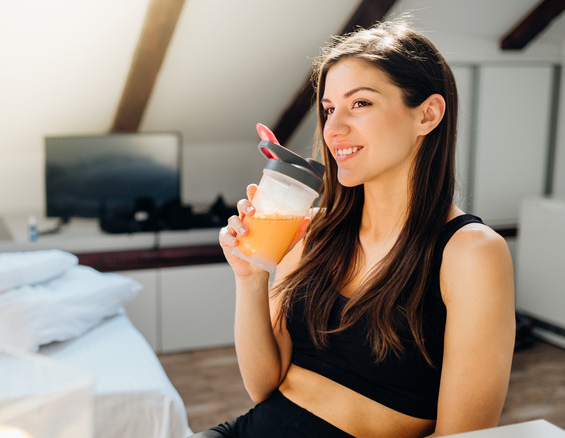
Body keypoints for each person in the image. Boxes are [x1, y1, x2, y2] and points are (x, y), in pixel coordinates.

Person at [196, 18, 516, 438]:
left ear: (428, 114)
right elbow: (264, 387)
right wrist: (251, 277)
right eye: (329, 109)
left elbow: (461, 436)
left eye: (360, 104)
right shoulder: (314, 231)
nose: (333, 129)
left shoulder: (471, 253)